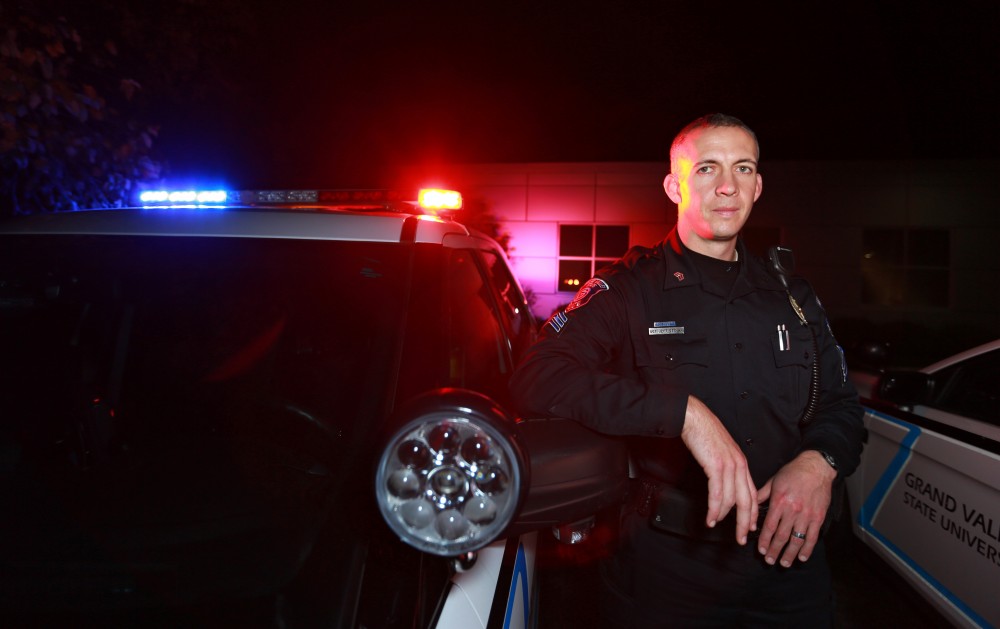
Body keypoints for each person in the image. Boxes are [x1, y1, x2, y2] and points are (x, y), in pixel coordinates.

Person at [509, 113, 866, 627]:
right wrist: (682, 414)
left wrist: (818, 463)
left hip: (790, 563)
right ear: (674, 185)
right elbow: (537, 377)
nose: (727, 186)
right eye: (707, 169)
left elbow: (841, 405)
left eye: (742, 168)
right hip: (669, 568)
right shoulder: (629, 289)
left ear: (758, 185)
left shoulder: (792, 296)